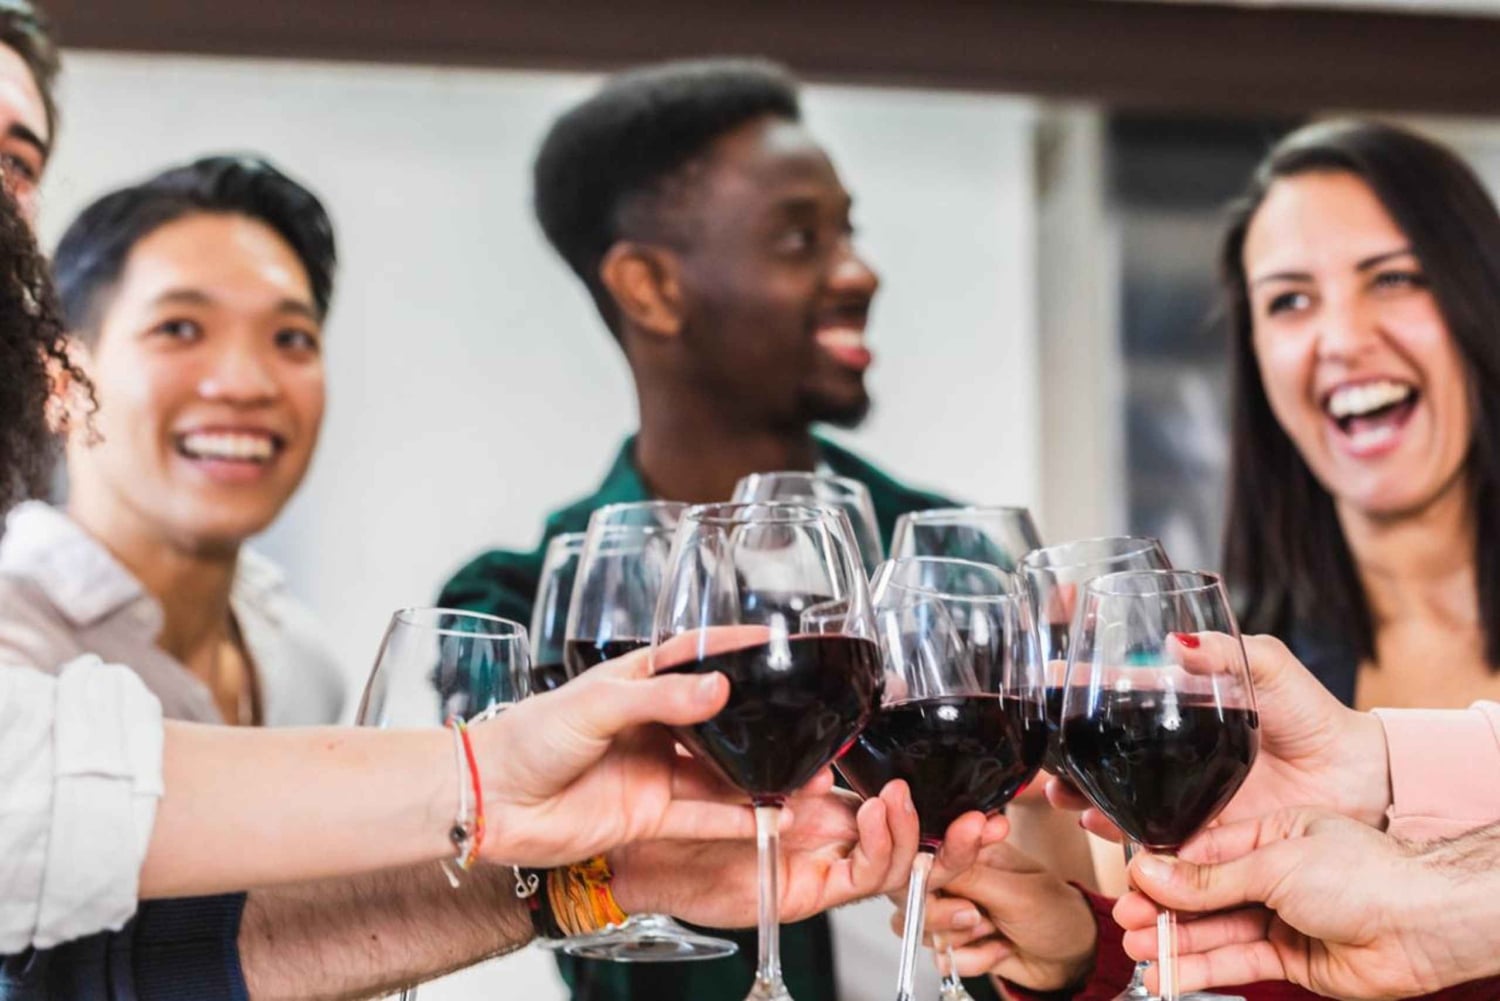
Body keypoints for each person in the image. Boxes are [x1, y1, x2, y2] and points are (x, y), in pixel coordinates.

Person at [437, 56, 1030, 1001]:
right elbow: (504, 896)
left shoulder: (950, 561)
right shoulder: (522, 608)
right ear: (648, 286)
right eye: (799, 238)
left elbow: (1049, 898)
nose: (860, 271)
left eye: (848, 231)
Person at [920, 118, 1500, 998]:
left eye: (1394, 278)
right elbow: (1189, 972)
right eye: (1290, 300)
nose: (1341, 338)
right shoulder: (1221, 705)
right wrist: (1078, 950)